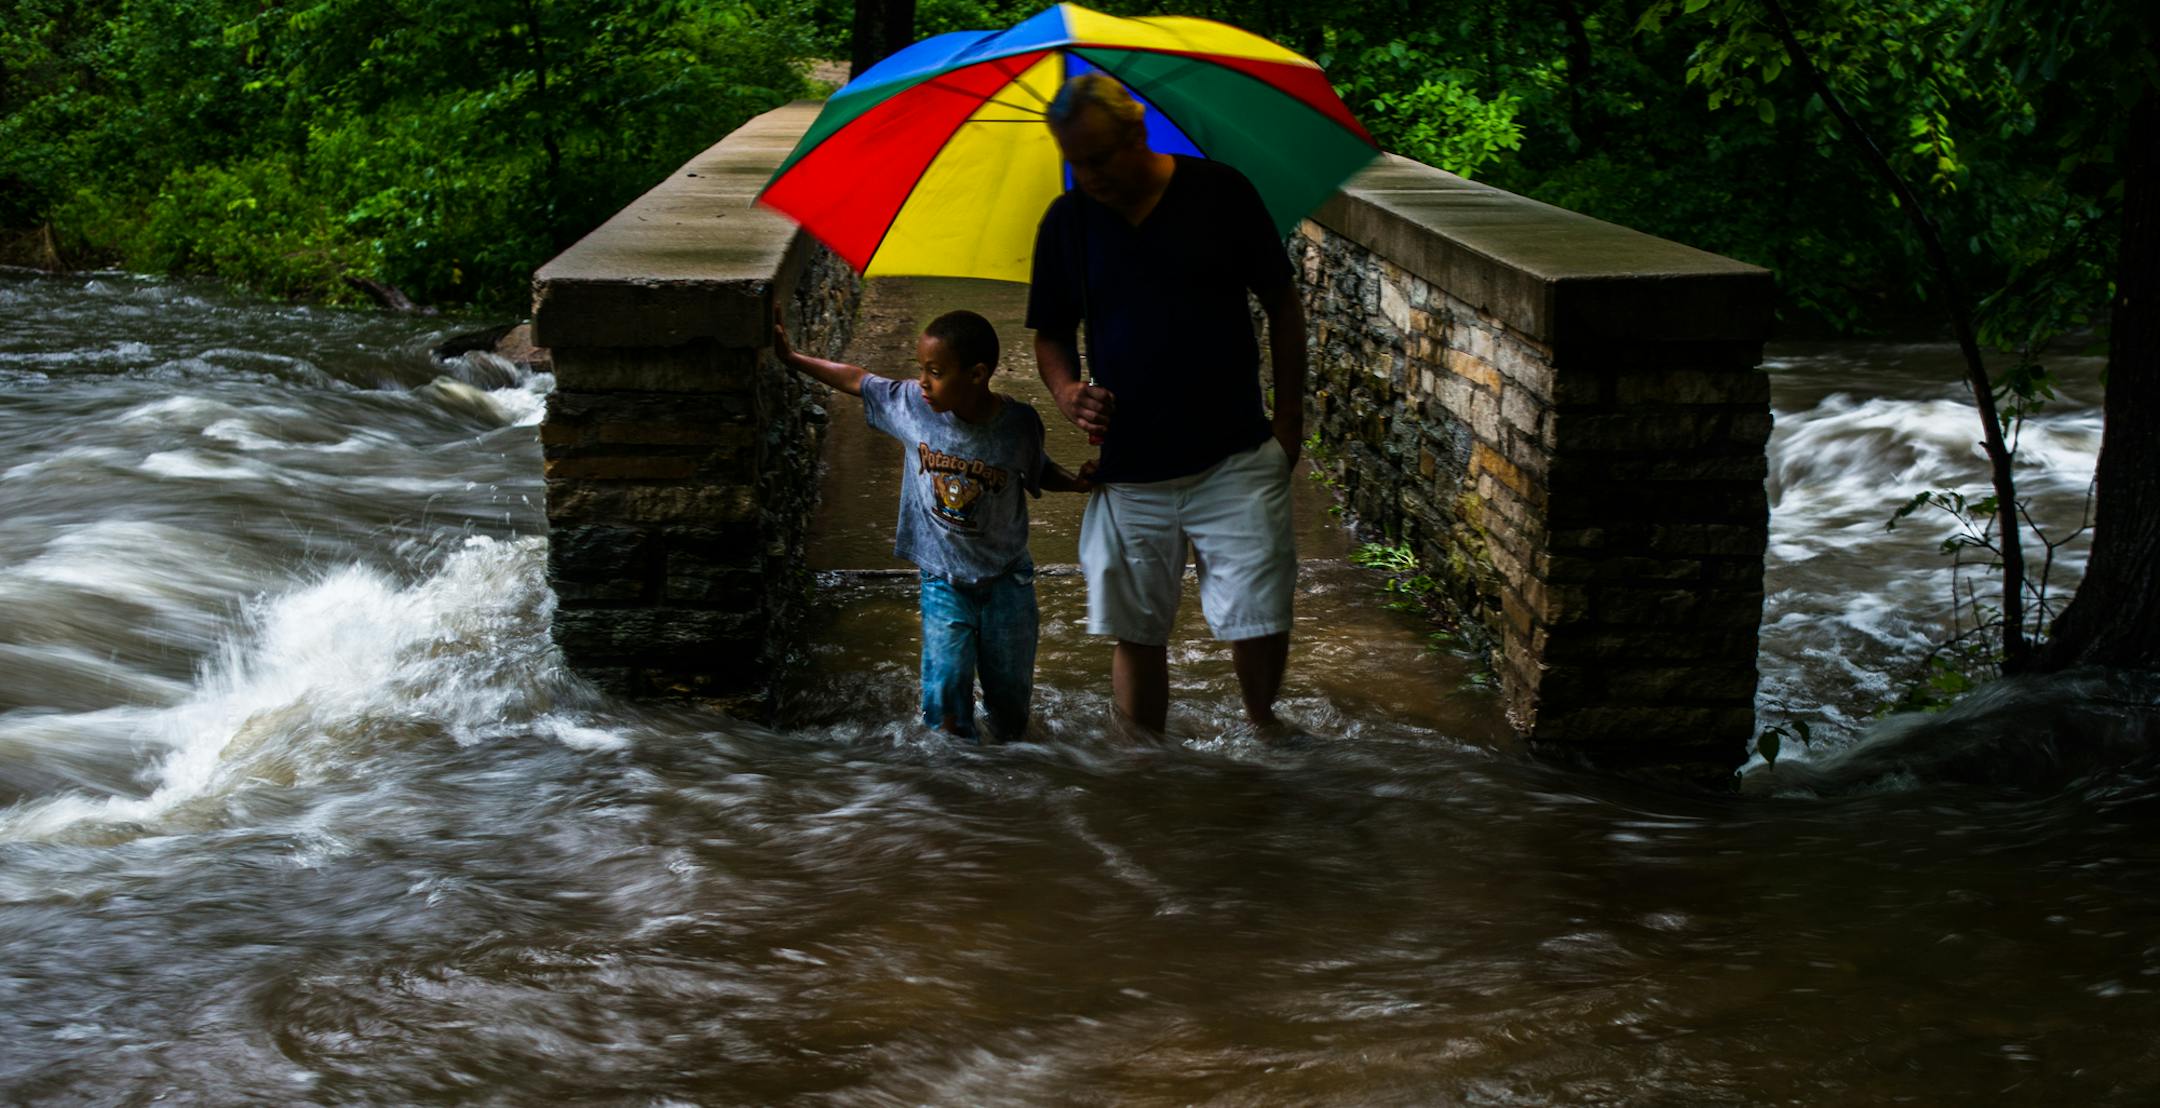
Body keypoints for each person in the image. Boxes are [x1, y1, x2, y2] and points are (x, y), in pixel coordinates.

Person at [1026, 73, 1308, 736]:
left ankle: (1265, 728)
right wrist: (1067, 392)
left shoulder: (1220, 192)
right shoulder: (1069, 222)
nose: (1086, 174)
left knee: (1259, 614)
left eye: (1098, 158)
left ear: (1136, 133)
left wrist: (1289, 421)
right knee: (1136, 626)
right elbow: (1051, 334)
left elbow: (1282, 302)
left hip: (1234, 452)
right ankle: (1144, 771)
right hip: (1130, 467)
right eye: (1073, 160)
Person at [773, 304, 1092, 742]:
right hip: (943, 579)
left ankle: (1009, 785)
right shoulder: (911, 405)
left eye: (936, 372)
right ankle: (953, 787)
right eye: (921, 369)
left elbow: (1036, 470)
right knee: (944, 696)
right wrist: (793, 359)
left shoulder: (1017, 425)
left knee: (1010, 708)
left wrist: (1075, 483)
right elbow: (856, 379)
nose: (923, 381)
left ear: (977, 375)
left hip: (1006, 583)